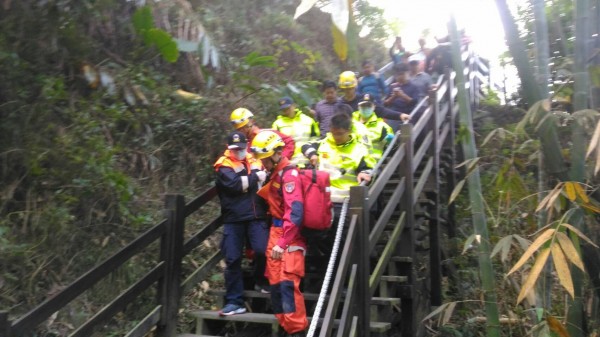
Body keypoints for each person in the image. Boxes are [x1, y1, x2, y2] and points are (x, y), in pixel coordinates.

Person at [250, 130, 308, 337]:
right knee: (275, 284)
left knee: (287, 284)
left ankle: (296, 330)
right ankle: (285, 326)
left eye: (266, 159)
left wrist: (282, 242)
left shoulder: (289, 174)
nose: (263, 163)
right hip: (275, 232)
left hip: (287, 236)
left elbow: (295, 213)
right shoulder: (274, 174)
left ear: (277, 153)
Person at [214, 131, 270, 316]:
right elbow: (236, 185)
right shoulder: (224, 164)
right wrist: (256, 177)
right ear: (229, 148)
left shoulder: (255, 158)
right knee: (232, 259)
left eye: (241, 147)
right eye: (234, 148)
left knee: (262, 250)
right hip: (234, 217)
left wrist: (256, 178)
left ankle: (261, 280)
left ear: (247, 145)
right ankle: (234, 301)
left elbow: (265, 178)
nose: (238, 151)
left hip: (257, 214)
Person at [230, 107, 296, 160]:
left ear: (251, 121)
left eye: (244, 127)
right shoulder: (241, 144)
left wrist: (280, 160)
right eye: (239, 128)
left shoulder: (267, 134)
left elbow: (290, 142)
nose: (242, 130)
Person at [271, 97, 320, 167]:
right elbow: (275, 146)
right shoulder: (277, 124)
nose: (286, 111)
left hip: (308, 161)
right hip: (289, 163)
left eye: (288, 108)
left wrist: (313, 154)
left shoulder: (308, 120)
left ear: (294, 105)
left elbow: (315, 139)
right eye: (283, 109)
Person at [353, 94, 393, 162]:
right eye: (363, 106)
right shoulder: (350, 123)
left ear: (374, 107)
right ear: (358, 107)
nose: (366, 108)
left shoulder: (382, 126)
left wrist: (391, 141)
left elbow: (392, 147)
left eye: (368, 106)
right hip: (352, 161)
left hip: (372, 163)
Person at [383, 63, 420, 130]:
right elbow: (385, 103)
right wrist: (393, 97)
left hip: (408, 114)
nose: (400, 76)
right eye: (398, 74)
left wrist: (402, 95)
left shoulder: (414, 87)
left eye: (402, 74)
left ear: (408, 73)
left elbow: (414, 102)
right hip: (395, 114)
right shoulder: (392, 86)